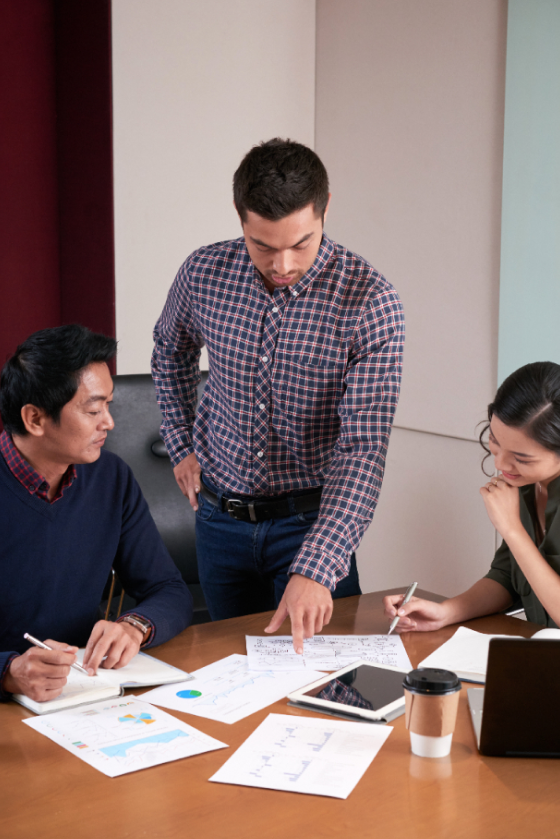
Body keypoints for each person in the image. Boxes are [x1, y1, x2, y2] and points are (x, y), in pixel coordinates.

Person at [152, 138, 405, 653]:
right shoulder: (203, 273)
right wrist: (180, 444)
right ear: (239, 217)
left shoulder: (370, 302)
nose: (282, 264)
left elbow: (362, 451)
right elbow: (168, 351)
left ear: (326, 206)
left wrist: (316, 565)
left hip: (311, 524)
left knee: (327, 689)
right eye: (262, 245)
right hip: (219, 521)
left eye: (301, 243)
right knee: (229, 680)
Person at [0, 325, 193, 703]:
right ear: (35, 419)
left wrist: (134, 627)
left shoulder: (110, 476)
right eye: (92, 409)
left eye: (108, 405)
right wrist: (8, 671)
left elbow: (168, 590)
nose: (109, 422)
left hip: (85, 690)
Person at [384, 362, 560, 632]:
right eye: (495, 441)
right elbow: (506, 578)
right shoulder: (527, 484)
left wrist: (512, 529)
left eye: (521, 458)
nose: (501, 465)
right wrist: (444, 612)